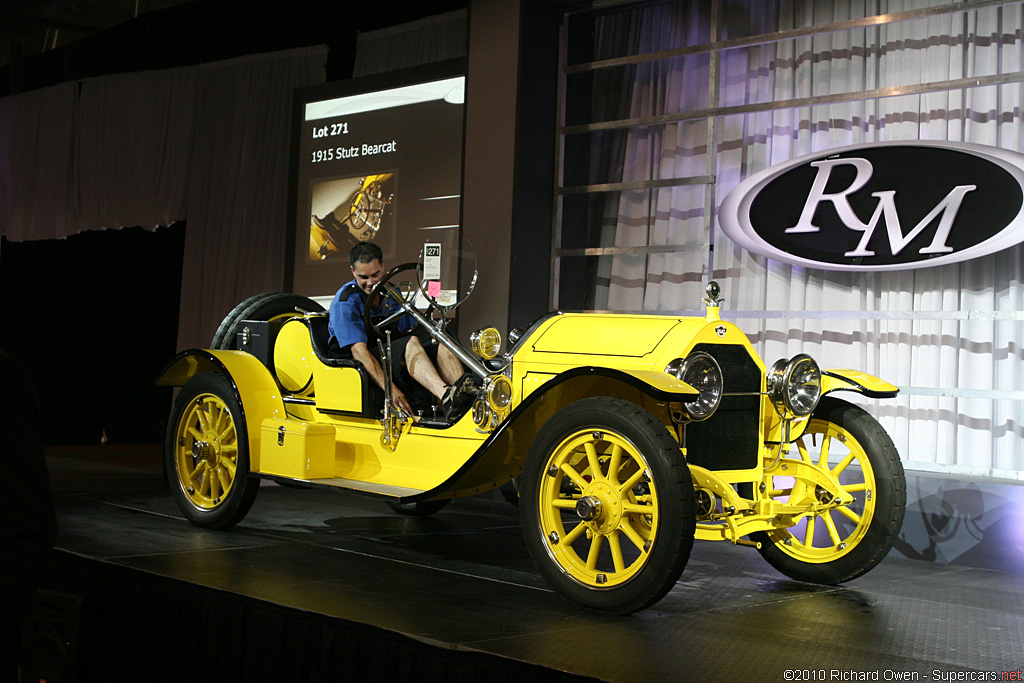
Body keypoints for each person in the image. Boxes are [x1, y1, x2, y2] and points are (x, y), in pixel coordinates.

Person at [327, 242, 476, 419]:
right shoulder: (345, 302)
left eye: (375, 275)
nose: (371, 283)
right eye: (363, 277)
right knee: (410, 342)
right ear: (353, 271)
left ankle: (463, 398)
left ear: (382, 267)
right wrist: (391, 390)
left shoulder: (391, 293)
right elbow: (359, 352)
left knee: (440, 336)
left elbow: (409, 327)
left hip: (391, 347)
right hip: (365, 356)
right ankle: (446, 396)